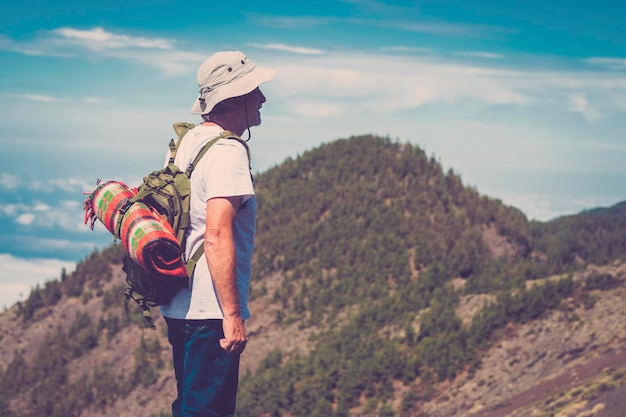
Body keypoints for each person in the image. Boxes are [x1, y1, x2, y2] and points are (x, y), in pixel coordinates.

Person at [160, 51, 275, 417]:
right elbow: (216, 235)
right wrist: (232, 315)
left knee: (189, 405)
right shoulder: (228, 151)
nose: (262, 99)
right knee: (207, 411)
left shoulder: (184, 144)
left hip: (178, 302)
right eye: (254, 89)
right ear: (234, 98)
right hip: (211, 311)